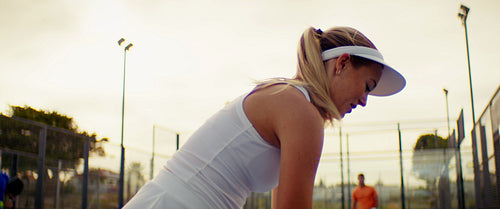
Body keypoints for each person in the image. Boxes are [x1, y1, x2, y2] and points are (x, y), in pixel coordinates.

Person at [123, 26, 405, 209]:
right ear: (342, 63)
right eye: (367, 86)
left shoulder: (295, 103)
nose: (365, 101)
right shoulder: (301, 112)